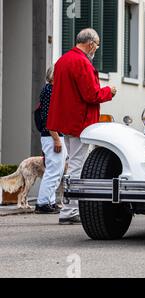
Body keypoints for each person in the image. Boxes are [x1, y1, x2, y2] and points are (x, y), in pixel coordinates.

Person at [47, 28, 117, 225]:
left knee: (73, 163)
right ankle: (69, 211)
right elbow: (91, 94)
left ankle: (68, 207)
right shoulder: (82, 62)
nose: (96, 49)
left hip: (67, 119)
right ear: (91, 44)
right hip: (80, 120)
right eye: (97, 46)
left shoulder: (63, 60)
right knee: (77, 165)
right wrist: (109, 91)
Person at [35, 66, 67, 214]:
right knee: (53, 171)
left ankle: (50, 201)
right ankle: (42, 203)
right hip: (52, 136)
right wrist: (56, 139)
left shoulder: (51, 90)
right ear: (54, 76)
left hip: (54, 135)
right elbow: (48, 118)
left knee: (57, 170)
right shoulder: (49, 91)